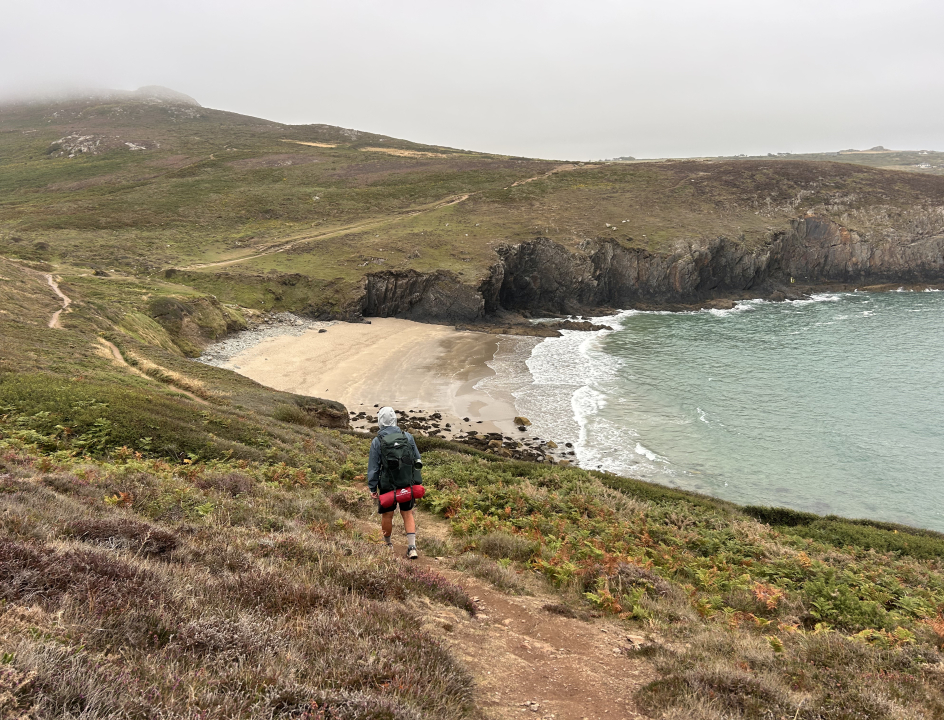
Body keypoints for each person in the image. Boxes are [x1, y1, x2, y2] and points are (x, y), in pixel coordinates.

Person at [367, 406, 422, 559]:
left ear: (380, 421)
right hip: (406, 481)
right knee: (407, 513)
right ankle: (412, 548)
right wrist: (415, 480)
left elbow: (374, 467)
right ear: (394, 419)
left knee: (387, 515)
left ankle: (387, 545)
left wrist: (372, 487)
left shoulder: (377, 441)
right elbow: (417, 459)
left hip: (387, 484)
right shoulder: (407, 437)